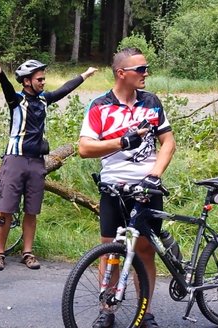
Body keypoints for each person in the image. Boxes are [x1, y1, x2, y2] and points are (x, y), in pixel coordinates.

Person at [78, 47, 176, 328]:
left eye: (146, 68)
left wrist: (154, 175)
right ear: (122, 74)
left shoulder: (152, 102)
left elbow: (168, 143)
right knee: (110, 250)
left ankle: (145, 312)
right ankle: (106, 309)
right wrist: (122, 141)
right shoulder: (99, 105)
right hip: (113, 189)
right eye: (140, 69)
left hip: (147, 188)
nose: (146, 74)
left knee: (144, 251)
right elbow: (84, 148)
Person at [0, 55, 97, 271]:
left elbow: (65, 89)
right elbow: (5, 85)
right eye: (40, 80)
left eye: (44, 79)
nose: (43, 83)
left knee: (31, 210)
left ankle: (27, 252)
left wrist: (85, 75)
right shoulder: (16, 101)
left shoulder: (45, 99)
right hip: (15, 160)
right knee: (5, 210)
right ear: (27, 81)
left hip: (37, 163)